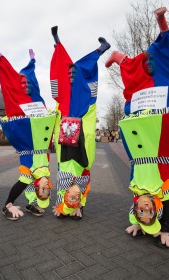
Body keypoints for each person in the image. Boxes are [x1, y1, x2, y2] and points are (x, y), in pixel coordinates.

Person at [105, 7, 169, 248]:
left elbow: (140, 197)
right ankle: (143, 224)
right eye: (149, 212)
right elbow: (131, 64)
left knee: (129, 64)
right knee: (135, 62)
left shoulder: (142, 182)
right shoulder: (161, 182)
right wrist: (164, 230)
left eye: (142, 212)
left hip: (152, 149)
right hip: (151, 149)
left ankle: (118, 56)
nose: (146, 207)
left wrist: (161, 21)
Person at [0, 45, 57, 220]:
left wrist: (32, 61)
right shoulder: (17, 104)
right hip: (28, 151)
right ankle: (7, 205)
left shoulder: (39, 102)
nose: (24, 85)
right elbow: (9, 77)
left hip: (42, 152)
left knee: (39, 179)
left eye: (27, 82)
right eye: (21, 83)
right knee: (25, 178)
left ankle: (32, 202)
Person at [50, 26, 110, 220]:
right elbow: (61, 66)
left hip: (81, 138)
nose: (71, 76)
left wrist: (100, 51)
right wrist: (57, 43)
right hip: (66, 139)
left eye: (75, 73)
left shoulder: (87, 97)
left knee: (82, 171)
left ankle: (79, 206)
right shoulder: (63, 99)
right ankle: (62, 204)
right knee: (63, 172)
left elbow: (88, 69)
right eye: (69, 74)